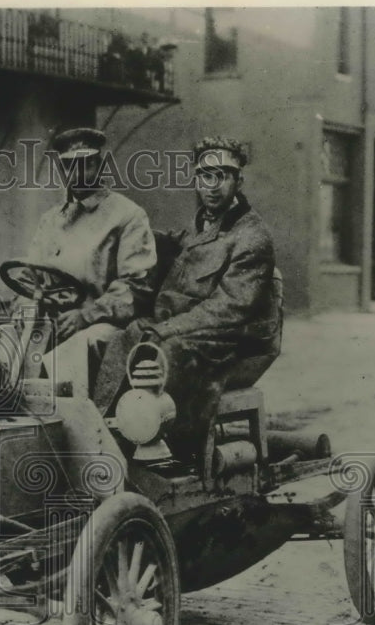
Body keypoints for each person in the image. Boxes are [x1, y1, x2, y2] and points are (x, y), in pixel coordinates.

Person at [93, 136, 283, 468]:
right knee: (127, 335)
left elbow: (231, 308)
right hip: (195, 330)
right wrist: (134, 230)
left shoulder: (252, 236)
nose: (212, 186)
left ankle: (172, 454)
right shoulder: (203, 223)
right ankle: (103, 435)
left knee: (168, 351)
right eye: (205, 176)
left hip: (234, 342)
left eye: (222, 176)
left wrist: (168, 328)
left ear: (239, 181)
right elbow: (180, 243)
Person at [0, 127, 156, 397]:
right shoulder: (52, 219)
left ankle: (69, 416)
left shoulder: (127, 215)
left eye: (86, 164)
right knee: (4, 340)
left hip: (102, 324)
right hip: (52, 321)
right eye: (69, 166)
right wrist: (26, 306)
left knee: (79, 346)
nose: (77, 174)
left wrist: (86, 316)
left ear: (99, 165)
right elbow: (29, 277)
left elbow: (135, 287)